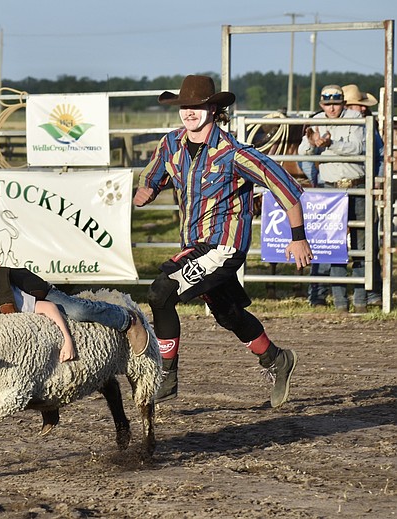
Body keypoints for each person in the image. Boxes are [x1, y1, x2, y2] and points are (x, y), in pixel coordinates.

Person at [133, 75, 313, 408]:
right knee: (227, 313)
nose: (189, 112)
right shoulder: (170, 144)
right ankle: (277, 360)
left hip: (223, 246)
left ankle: (166, 375)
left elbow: (284, 187)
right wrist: (149, 189)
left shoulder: (234, 153)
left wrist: (298, 237)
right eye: (185, 106)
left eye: (197, 106)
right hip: (195, 246)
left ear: (213, 109)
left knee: (161, 292)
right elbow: (153, 174)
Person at [0, 258, 150, 363]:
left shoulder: (8, 300)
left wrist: (68, 340)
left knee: (76, 311)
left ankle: (125, 319)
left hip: (42, 295)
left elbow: (47, 307)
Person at [298, 85, 369, 313]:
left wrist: (329, 144)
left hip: (356, 185)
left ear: (343, 103)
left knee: (361, 245)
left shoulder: (356, 118)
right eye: (327, 104)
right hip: (331, 190)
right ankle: (340, 302)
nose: (331, 108)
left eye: (336, 103)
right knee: (334, 246)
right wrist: (311, 143)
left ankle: (360, 300)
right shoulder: (316, 120)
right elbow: (302, 153)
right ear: (321, 104)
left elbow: (358, 147)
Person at [342, 83, 384, 308]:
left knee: (367, 241)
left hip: (360, 186)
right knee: (332, 243)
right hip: (342, 187)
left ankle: (370, 291)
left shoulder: (369, 128)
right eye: (357, 105)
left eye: (362, 106)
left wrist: (376, 181)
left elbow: (379, 154)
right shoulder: (360, 126)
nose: (362, 109)